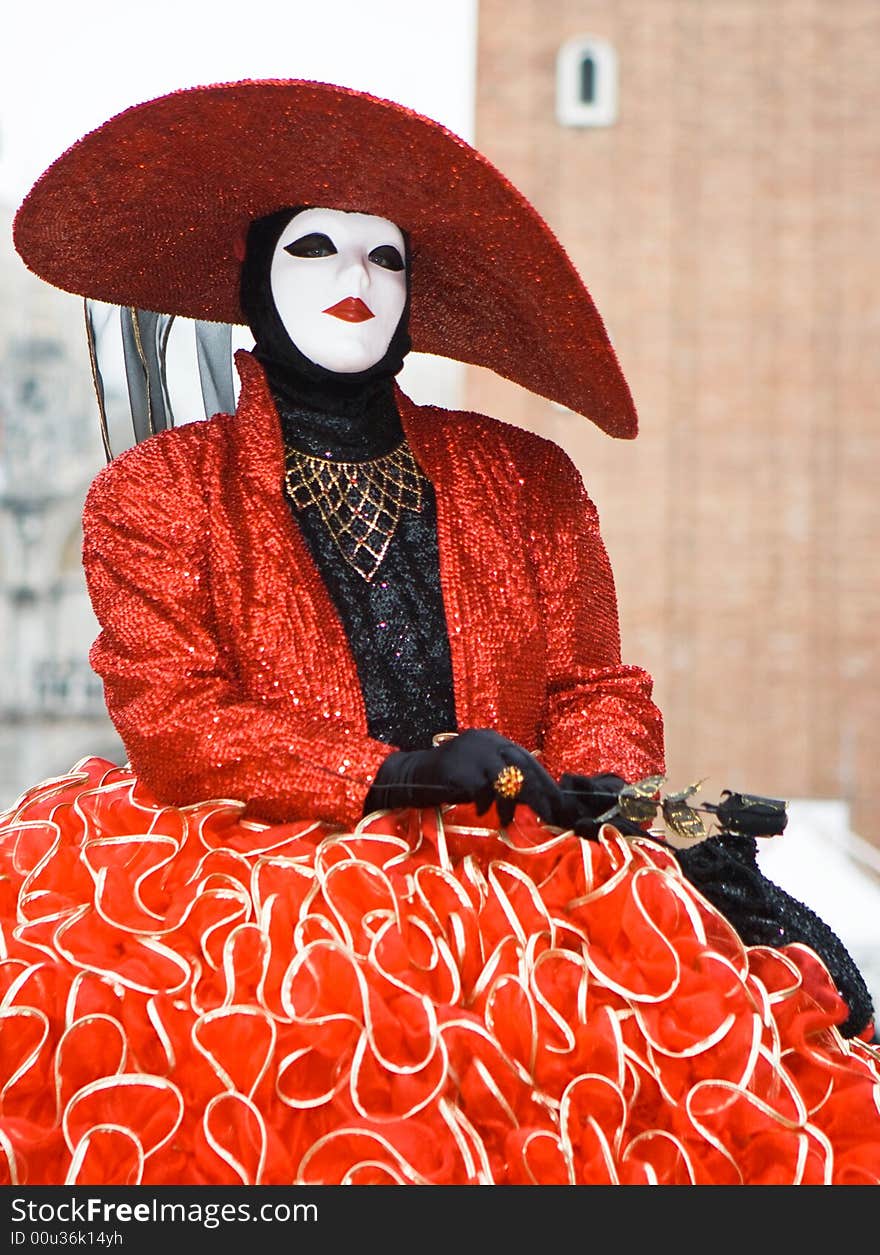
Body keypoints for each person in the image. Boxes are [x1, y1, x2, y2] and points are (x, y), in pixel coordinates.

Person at [3, 79, 878, 1187]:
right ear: (252, 283)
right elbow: (175, 722)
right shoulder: (159, 491)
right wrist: (400, 772)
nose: (355, 279)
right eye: (315, 249)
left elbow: (592, 685)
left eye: (385, 256)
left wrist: (594, 789)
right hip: (257, 885)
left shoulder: (523, 476)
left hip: (525, 873)